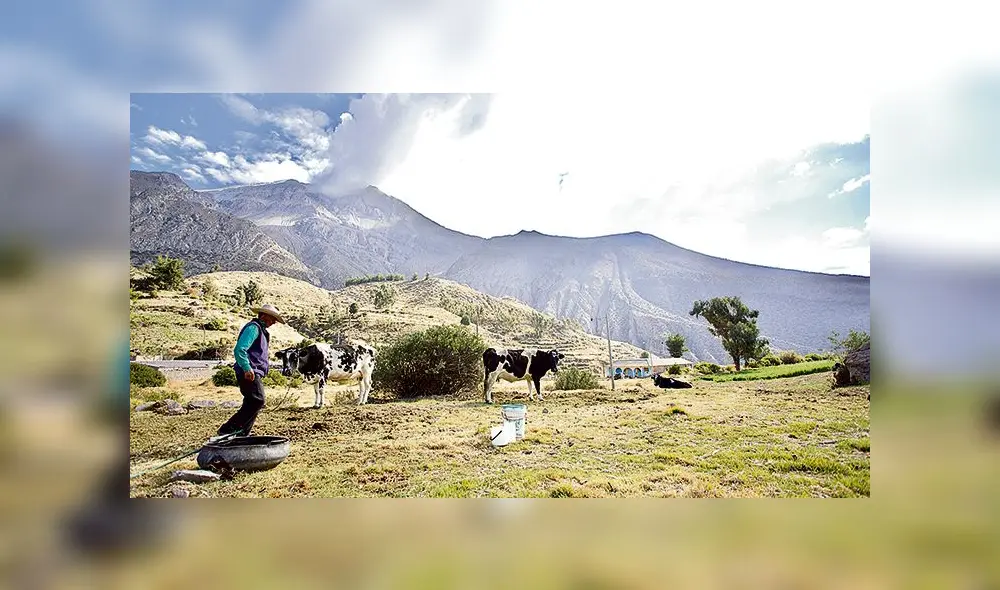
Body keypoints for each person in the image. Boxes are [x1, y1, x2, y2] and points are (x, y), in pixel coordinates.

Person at [213, 304, 285, 441]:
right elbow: (240, 349)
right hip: (249, 371)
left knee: (252, 402)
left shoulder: (260, 330)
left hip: (252, 371)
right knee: (257, 400)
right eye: (273, 318)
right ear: (264, 316)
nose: (274, 322)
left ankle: (242, 434)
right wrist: (247, 367)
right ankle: (228, 429)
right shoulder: (253, 328)